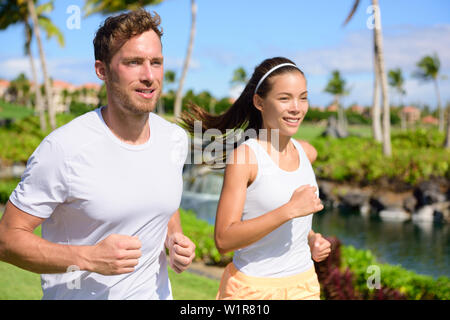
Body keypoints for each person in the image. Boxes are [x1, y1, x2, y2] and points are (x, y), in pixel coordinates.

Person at [0, 9, 195, 300]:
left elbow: (162, 201)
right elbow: (6, 239)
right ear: (102, 70)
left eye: (156, 63)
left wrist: (174, 240)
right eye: (133, 63)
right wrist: (89, 258)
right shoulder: (63, 149)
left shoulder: (175, 140)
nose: (149, 76)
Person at [180, 57, 331, 300]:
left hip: (304, 286)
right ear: (259, 102)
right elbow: (223, 239)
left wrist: (311, 239)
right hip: (254, 291)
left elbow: (295, 223)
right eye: (284, 98)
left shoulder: (306, 152)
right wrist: (289, 210)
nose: (297, 107)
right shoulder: (246, 158)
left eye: (303, 97)